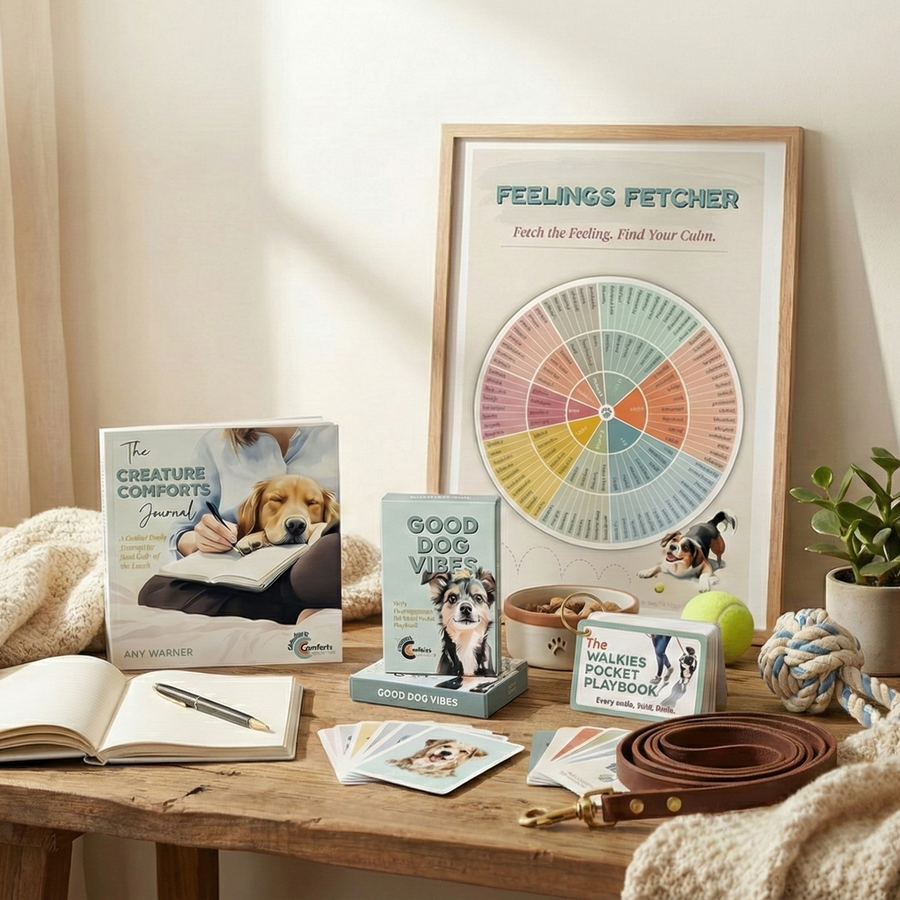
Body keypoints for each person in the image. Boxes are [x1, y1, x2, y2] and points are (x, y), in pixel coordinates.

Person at [139, 425, 340, 624]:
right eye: (276, 500)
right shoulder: (213, 444)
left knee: (327, 552)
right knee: (155, 590)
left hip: (317, 561)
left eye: (311, 503)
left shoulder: (335, 437)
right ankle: (300, 610)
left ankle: (295, 604)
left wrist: (319, 530)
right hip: (246, 568)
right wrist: (200, 538)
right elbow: (184, 533)